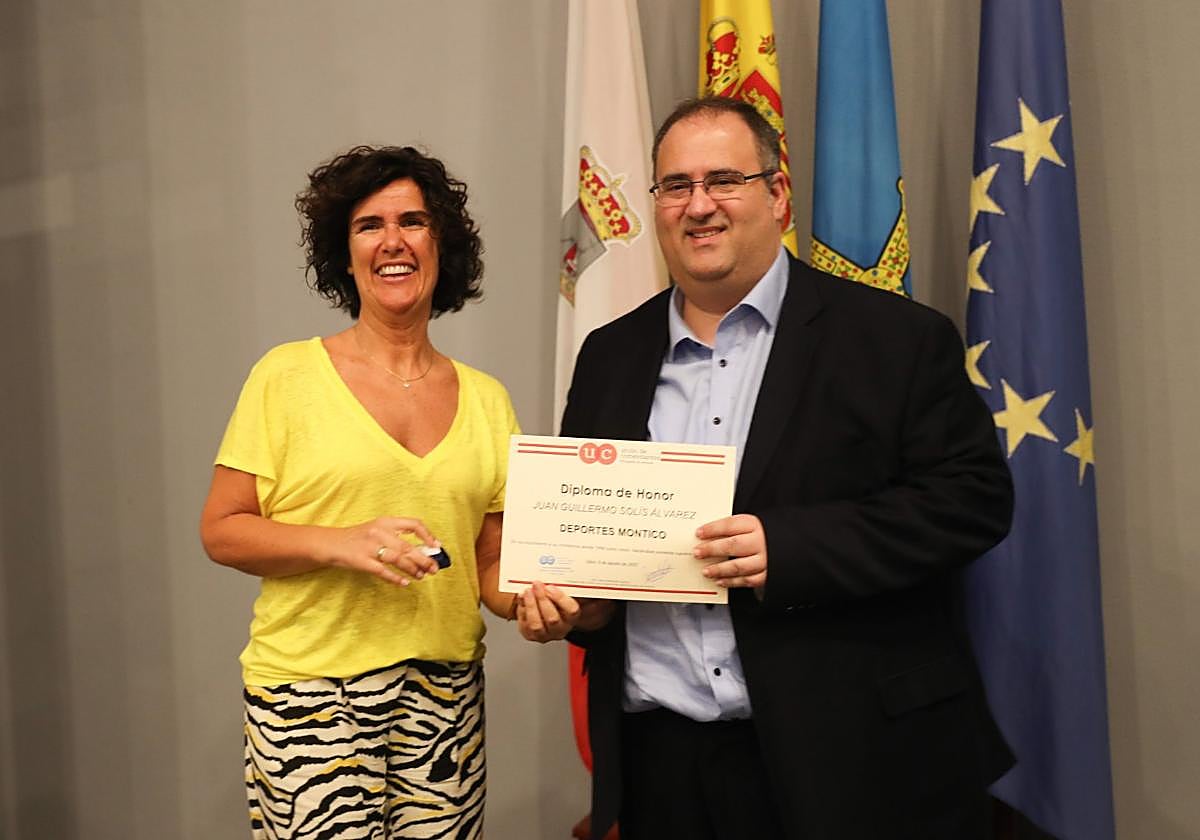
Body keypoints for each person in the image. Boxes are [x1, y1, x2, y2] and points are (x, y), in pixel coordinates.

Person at [516, 97, 1015, 840]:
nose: (699, 206)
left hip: (854, 759)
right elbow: (603, 552)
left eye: (725, 180)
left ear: (778, 195)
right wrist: (579, 607)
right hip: (663, 766)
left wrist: (789, 547)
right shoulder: (610, 356)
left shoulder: (896, 339)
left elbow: (972, 501)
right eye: (676, 186)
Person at [199, 145, 518, 840]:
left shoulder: (489, 401)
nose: (393, 241)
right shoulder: (285, 377)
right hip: (311, 699)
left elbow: (490, 569)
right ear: (344, 256)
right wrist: (338, 543)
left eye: (413, 221)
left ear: (442, 245)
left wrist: (546, 601)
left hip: (445, 694)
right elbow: (222, 529)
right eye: (369, 225)